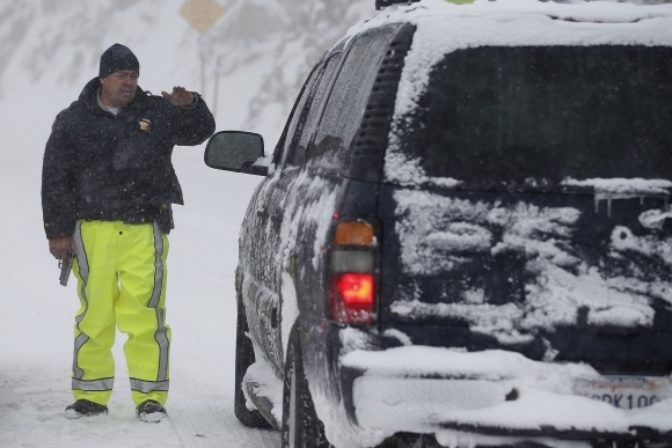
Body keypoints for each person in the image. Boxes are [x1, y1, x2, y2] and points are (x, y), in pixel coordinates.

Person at [41, 43, 215, 422]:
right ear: (103, 77)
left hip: (143, 228)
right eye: (122, 75)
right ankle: (90, 396)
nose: (130, 83)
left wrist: (191, 105)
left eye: (134, 76)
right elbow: (55, 179)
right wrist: (58, 232)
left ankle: (150, 397)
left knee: (146, 315)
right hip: (91, 232)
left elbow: (200, 131)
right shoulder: (73, 120)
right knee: (95, 314)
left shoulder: (155, 112)